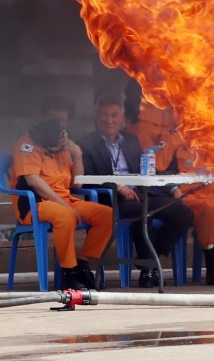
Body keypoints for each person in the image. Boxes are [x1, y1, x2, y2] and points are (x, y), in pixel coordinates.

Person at [79, 94, 194, 287]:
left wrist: (172, 187)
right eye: (104, 115)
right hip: (112, 200)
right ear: (96, 117)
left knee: (183, 213)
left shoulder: (132, 140)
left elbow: (149, 169)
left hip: (142, 194)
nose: (109, 120)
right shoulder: (85, 144)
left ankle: (150, 259)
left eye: (114, 115)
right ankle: (148, 269)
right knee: (143, 213)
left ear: (122, 118)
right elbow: (86, 180)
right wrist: (117, 187)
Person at [124, 79, 214, 284]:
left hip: (209, 185)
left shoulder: (207, 128)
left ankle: (150, 260)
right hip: (185, 190)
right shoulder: (166, 134)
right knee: (209, 207)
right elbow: (160, 167)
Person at [11, 114, 113, 289]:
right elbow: (34, 181)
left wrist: (78, 155)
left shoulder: (64, 147)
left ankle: (82, 264)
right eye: (59, 141)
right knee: (65, 216)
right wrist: (65, 206)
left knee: (107, 215)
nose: (62, 143)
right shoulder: (27, 145)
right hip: (36, 203)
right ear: (46, 140)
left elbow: (77, 183)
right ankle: (69, 272)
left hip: (65, 199)